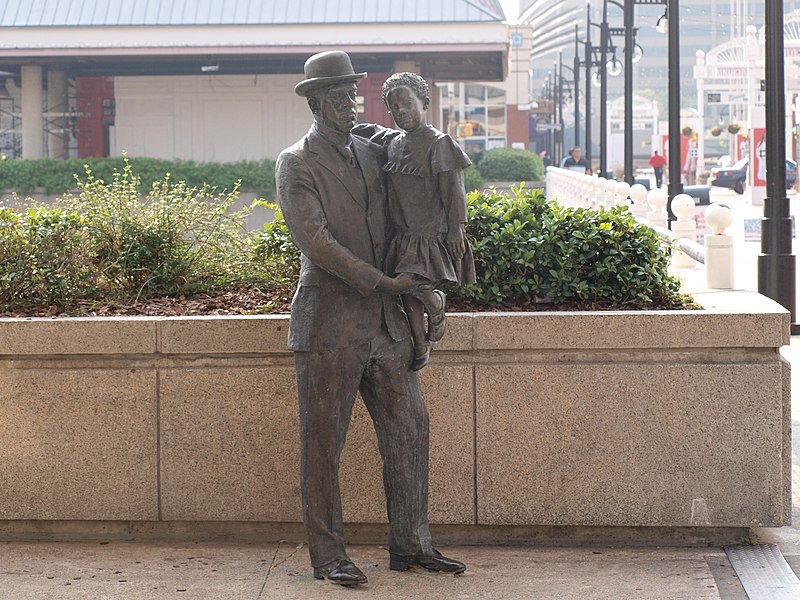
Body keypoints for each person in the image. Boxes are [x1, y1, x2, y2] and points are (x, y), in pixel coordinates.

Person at [275, 51, 465, 587]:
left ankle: (411, 545)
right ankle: (328, 555)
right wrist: (383, 282)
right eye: (336, 96)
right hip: (329, 325)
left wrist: (423, 282)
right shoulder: (297, 161)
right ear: (314, 102)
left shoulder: (373, 148)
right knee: (323, 445)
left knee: (410, 430)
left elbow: (418, 175)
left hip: (386, 324)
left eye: (352, 93)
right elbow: (316, 242)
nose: (348, 102)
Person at [357, 72, 476, 370]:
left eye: (407, 103)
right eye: (394, 107)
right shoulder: (393, 142)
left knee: (412, 284)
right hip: (402, 231)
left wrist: (456, 227)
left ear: (424, 103)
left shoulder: (439, 143)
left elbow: (453, 188)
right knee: (403, 290)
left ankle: (435, 305)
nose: (402, 111)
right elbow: (366, 130)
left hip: (429, 232)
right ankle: (420, 341)